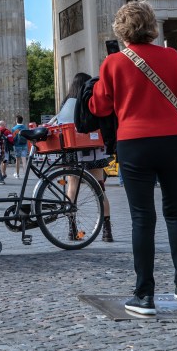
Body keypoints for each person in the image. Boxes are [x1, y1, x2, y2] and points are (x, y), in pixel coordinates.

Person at [89, 0, 177, 317]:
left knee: (142, 217)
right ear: (152, 26)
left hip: (134, 142)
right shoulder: (172, 57)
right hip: (175, 141)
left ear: (122, 32)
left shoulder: (113, 63)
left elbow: (100, 108)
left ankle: (144, 294)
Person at [49, 73, 114, 243]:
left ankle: (72, 230)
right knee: (100, 188)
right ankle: (107, 231)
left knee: (72, 188)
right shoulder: (90, 99)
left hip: (72, 149)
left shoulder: (66, 104)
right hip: (93, 148)